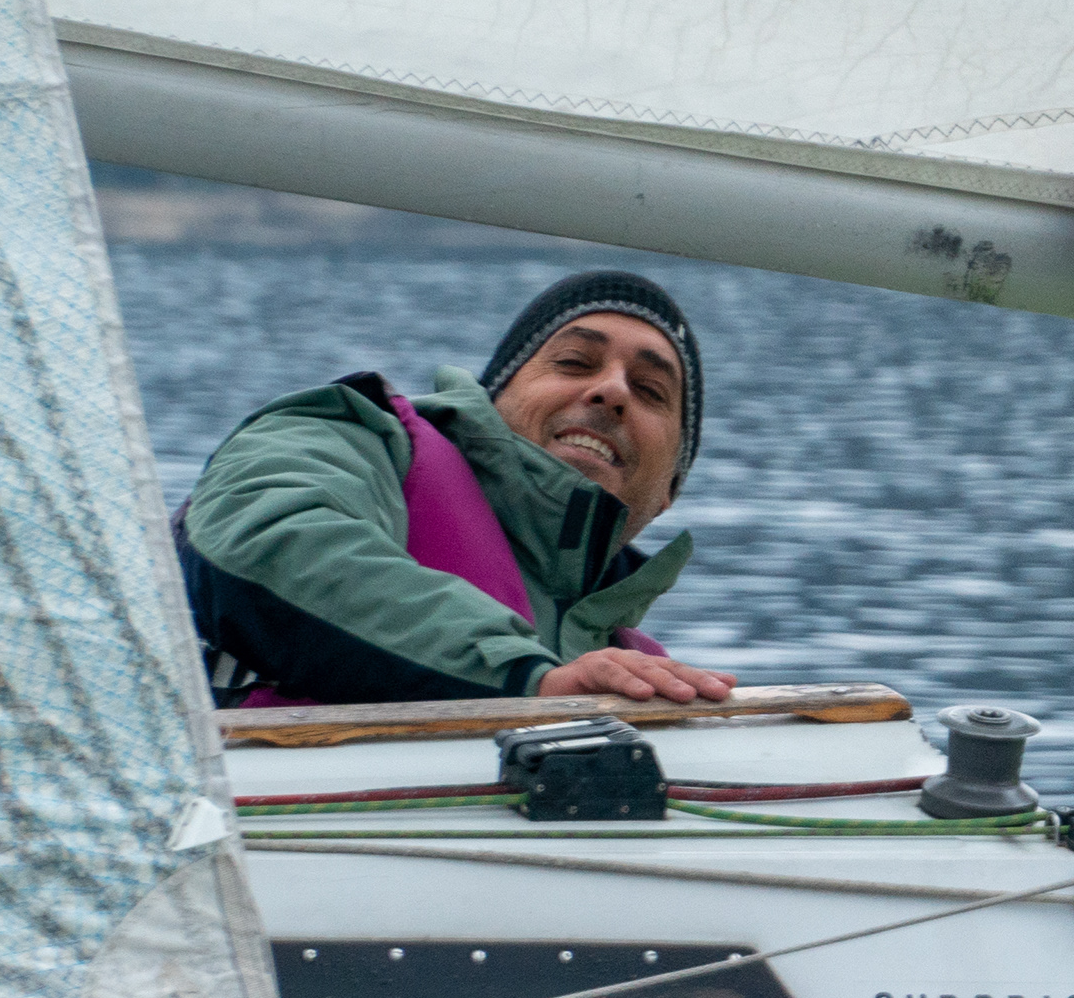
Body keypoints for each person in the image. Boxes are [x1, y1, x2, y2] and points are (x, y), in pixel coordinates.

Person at [177, 269, 741, 708]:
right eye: (574, 362)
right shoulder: (355, 438)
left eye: (650, 391)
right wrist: (526, 679)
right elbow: (256, 534)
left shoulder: (641, 680)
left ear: (668, 491)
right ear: (494, 400)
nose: (612, 391)